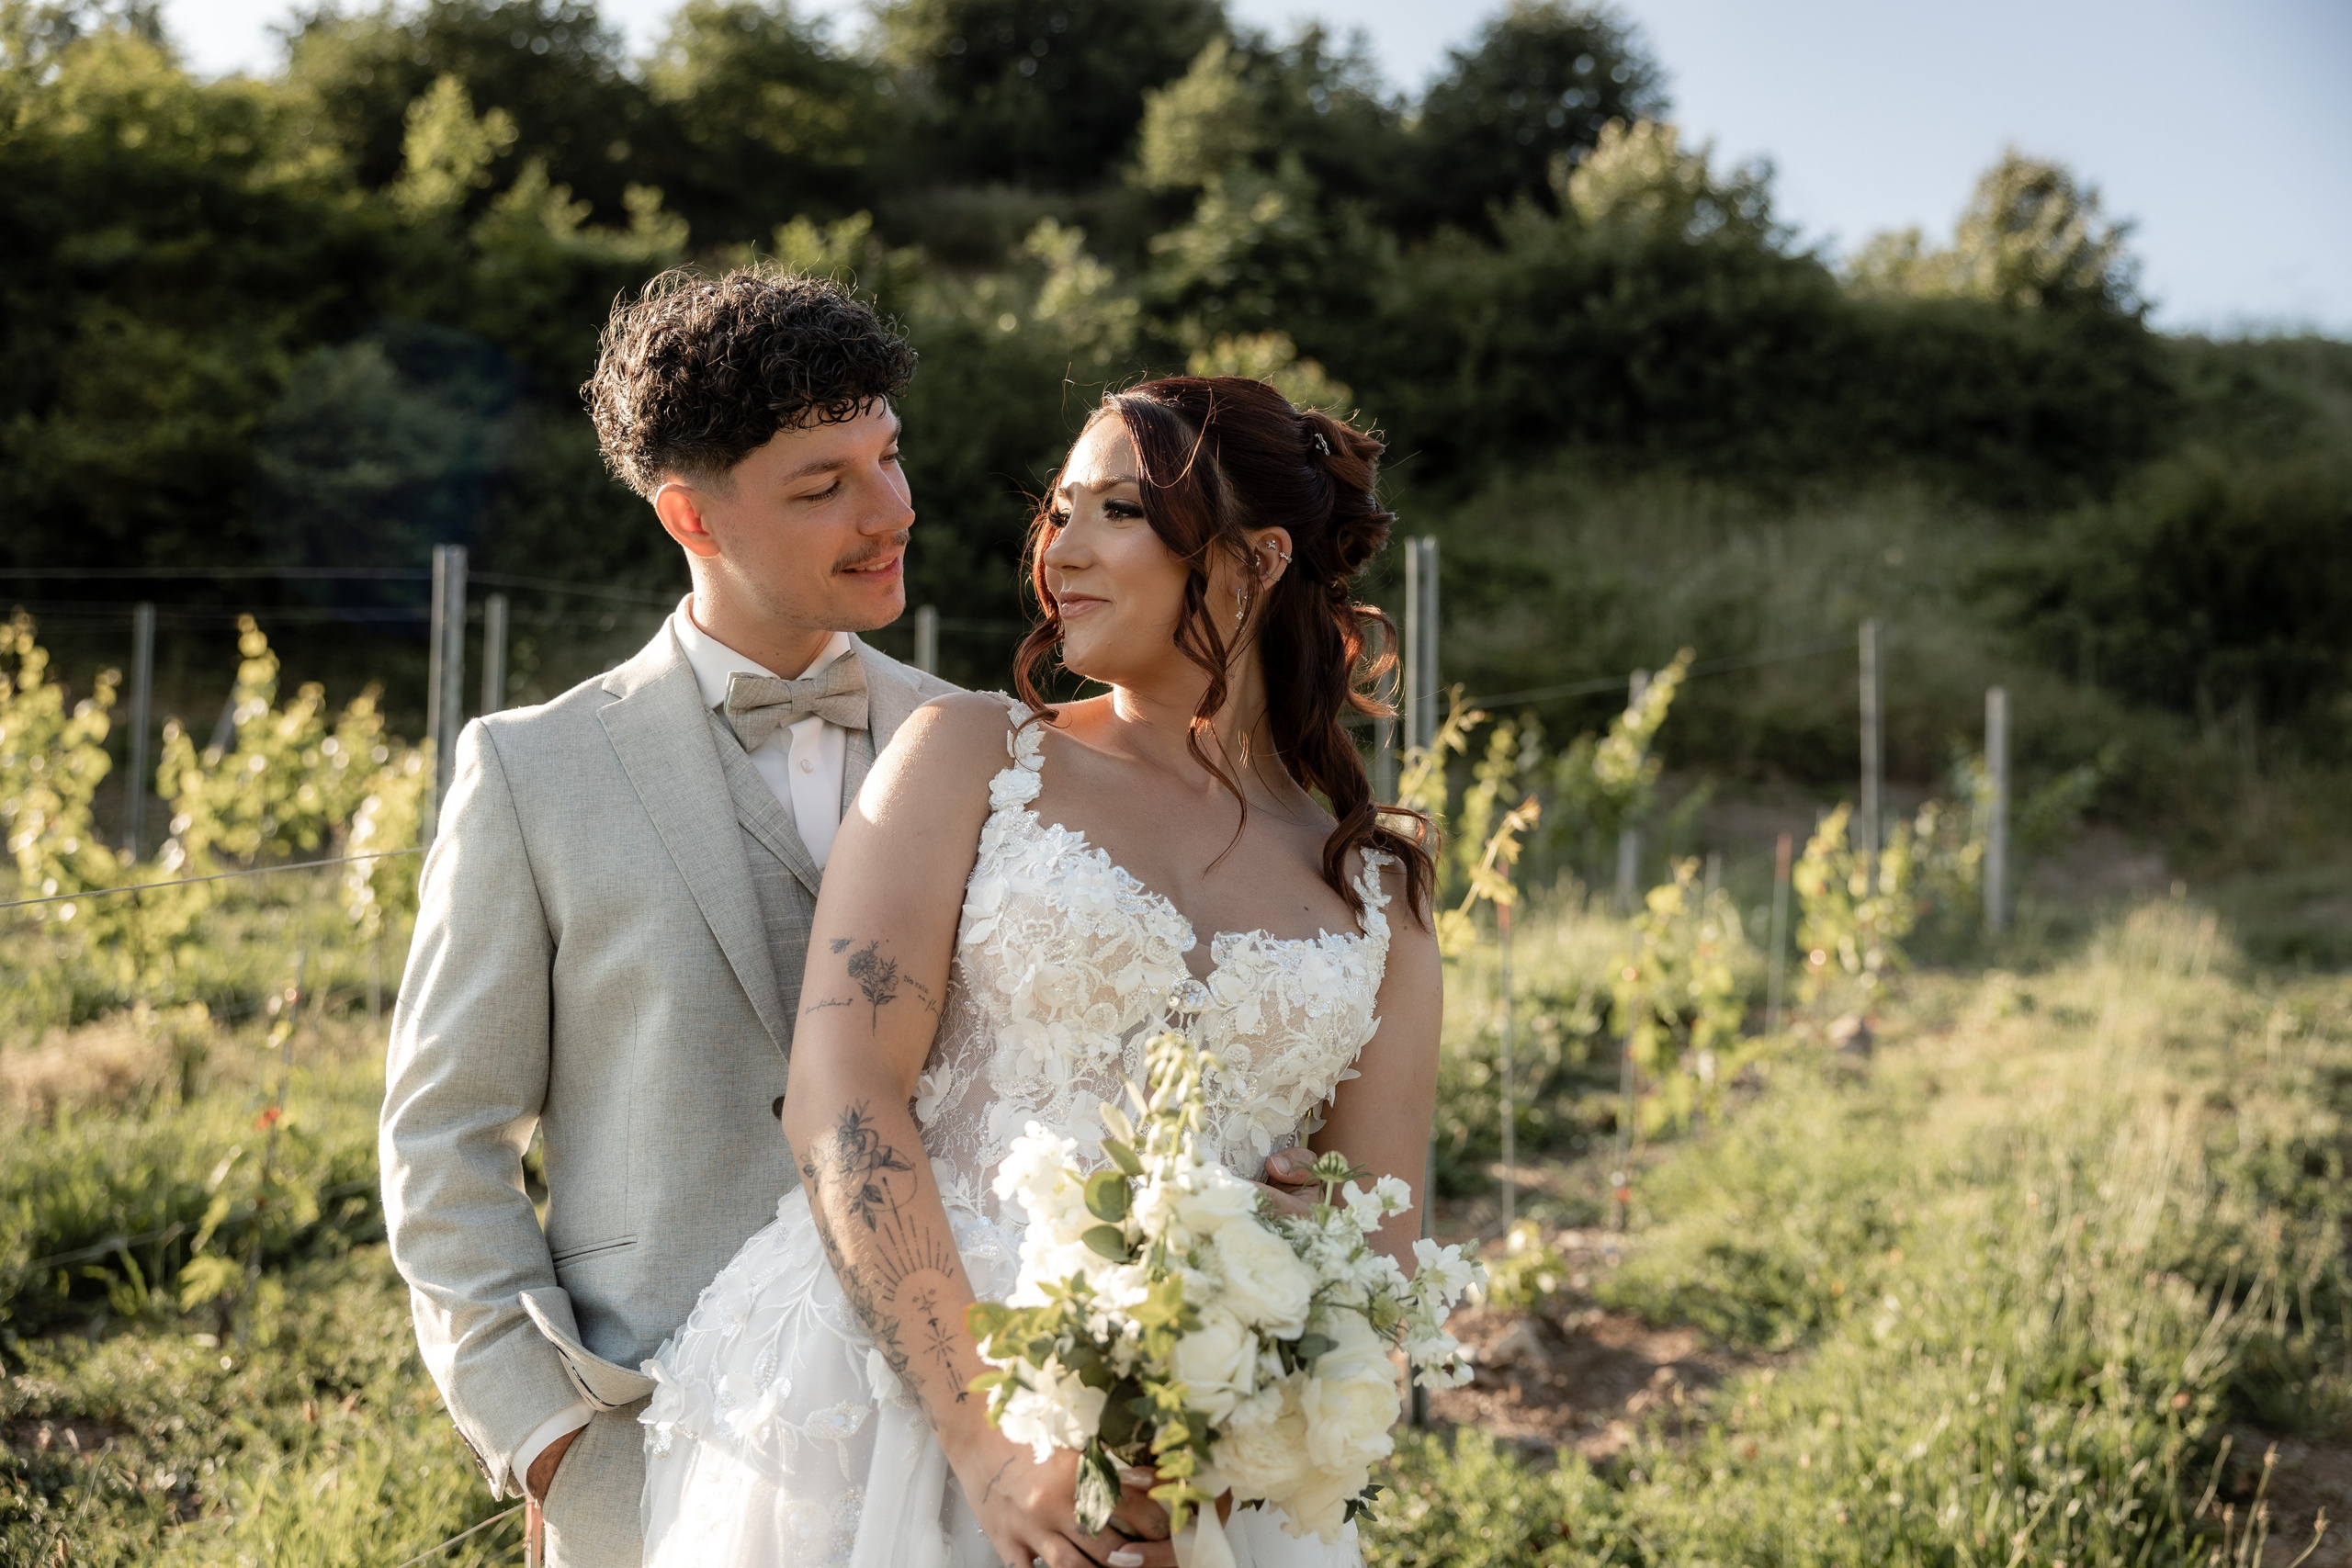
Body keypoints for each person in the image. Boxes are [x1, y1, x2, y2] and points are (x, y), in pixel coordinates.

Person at [639, 377, 1442, 1567]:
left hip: (1192, 1466)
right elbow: (842, 1089)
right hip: (899, 1411)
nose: (1059, 550)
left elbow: (1380, 1246)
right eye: (1057, 512)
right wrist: (994, 1447)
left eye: (1115, 510)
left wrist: (1210, 1429)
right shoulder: (972, 755)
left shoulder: (1379, 883)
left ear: (1257, 558)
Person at [380, 265, 956, 1568]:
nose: (893, 511)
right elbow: (444, 1136)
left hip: (954, 1450)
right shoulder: (532, 770)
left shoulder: (984, 745)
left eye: (889, 458)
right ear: (689, 513)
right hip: (653, 1449)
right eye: (826, 485)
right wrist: (545, 1436)